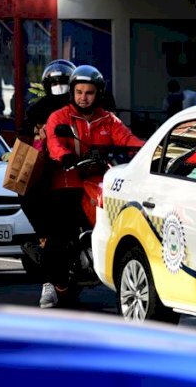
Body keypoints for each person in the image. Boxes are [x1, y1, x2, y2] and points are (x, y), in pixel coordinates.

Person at [38, 65, 146, 309]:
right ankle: (51, 283)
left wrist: (148, 148)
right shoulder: (60, 117)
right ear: (72, 93)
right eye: (79, 92)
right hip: (66, 182)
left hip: (100, 182)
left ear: (98, 93)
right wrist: (64, 156)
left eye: (89, 92)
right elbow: (55, 142)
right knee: (59, 234)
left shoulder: (108, 119)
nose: (83, 97)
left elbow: (128, 139)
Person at [16, 59, 75, 276]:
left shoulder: (82, 108)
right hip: (49, 171)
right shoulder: (37, 110)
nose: (59, 86)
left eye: (63, 82)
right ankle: (44, 241)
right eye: (55, 82)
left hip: (80, 167)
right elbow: (23, 139)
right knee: (28, 193)